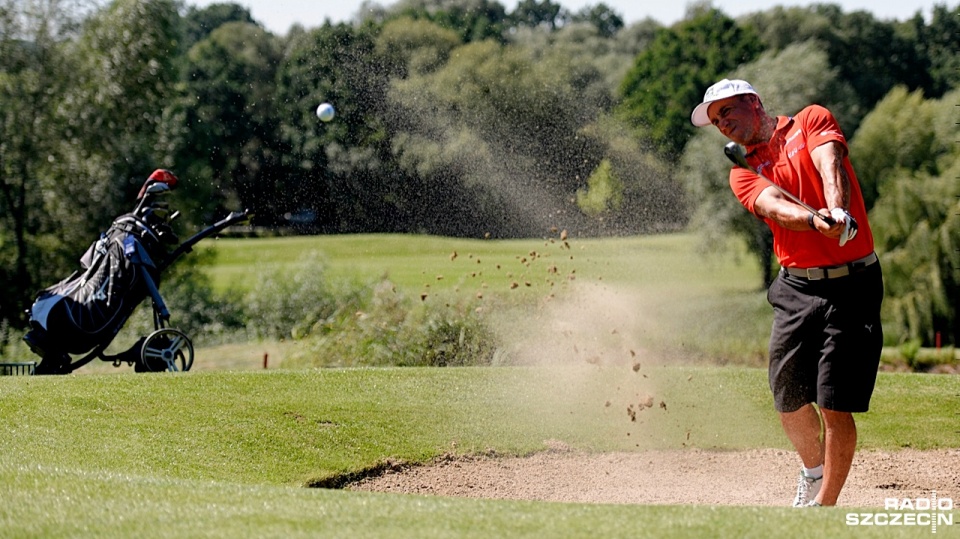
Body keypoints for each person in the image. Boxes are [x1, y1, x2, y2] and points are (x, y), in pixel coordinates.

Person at [689, 79, 884, 507]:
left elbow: (828, 159)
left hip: (852, 285)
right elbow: (775, 205)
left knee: (834, 403)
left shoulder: (810, 120)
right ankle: (814, 471)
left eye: (728, 112)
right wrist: (817, 222)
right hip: (796, 287)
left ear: (754, 102)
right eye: (717, 121)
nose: (724, 125)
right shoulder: (742, 170)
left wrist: (836, 210)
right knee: (788, 396)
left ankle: (824, 507)